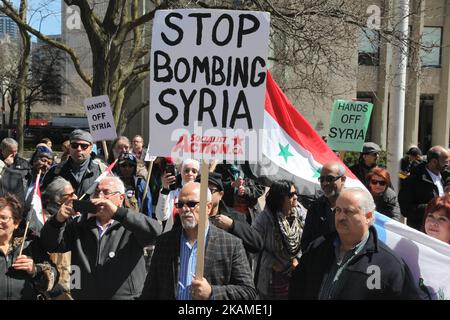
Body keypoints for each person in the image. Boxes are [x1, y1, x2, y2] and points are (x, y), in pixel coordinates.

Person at [289, 188, 424, 300]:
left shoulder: (389, 263)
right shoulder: (318, 247)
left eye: (349, 211)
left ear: (368, 216)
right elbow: (297, 288)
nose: (341, 217)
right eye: (338, 210)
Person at [40, 176, 161, 299]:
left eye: (106, 192)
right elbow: (51, 244)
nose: (100, 196)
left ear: (121, 198)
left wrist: (118, 213)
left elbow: (156, 234)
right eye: (97, 192)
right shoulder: (80, 224)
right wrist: (57, 220)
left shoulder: (131, 223)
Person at [141, 182, 256, 300]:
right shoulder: (164, 242)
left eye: (191, 204)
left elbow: (248, 292)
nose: (185, 209)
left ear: (208, 207)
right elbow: (150, 292)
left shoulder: (231, 244)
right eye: (180, 204)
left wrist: (212, 293)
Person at [252, 180, 307, 300]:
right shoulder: (264, 219)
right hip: (271, 278)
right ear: (280, 198)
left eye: (295, 193)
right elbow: (253, 246)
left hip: (296, 273)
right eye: (291, 195)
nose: (295, 197)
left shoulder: (301, 214)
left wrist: (297, 258)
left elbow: (307, 240)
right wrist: (273, 263)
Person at [0, 194, 58, 300]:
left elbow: (53, 276)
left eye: (3, 218)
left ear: (16, 223)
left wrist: (35, 270)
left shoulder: (29, 245)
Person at [202, 172, 263, 255]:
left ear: (220, 194)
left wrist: (232, 225)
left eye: (210, 191)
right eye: (201, 191)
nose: (206, 195)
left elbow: (257, 244)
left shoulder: (234, 218)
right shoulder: (190, 217)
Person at [41, 129, 107, 197]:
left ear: (91, 148)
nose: (79, 149)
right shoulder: (55, 171)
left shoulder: (102, 172)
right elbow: (43, 198)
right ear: (69, 147)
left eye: (84, 146)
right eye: (74, 145)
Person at [41, 177, 77, 299]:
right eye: (70, 194)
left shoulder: (73, 218)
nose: (75, 197)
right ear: (57, 199)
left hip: (73, 276)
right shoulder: (44, 218)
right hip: (54, 282)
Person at [399, 145, 449, 230]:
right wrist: (432, 207)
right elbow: (405, 209)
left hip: (443, 233)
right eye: (445, 162)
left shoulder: (445, 176)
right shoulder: (414, 180)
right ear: (434, 162)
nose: (447, 164)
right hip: (422, 232)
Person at [301, 161, 346, 251]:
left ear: (343, 180)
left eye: (330, 179)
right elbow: (306, 242)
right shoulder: (315, 207)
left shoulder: (354, 206)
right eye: (322, 179)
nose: (325, 183)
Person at [156, 159, 200, 232]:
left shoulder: (202, 193)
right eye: (186, 170)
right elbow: (161, 216)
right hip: (172, 238)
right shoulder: (173, 193)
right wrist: (165, 190)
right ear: (181, 173)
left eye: (194, 171)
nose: (190, 173)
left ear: (197, 174)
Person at [117, 152, 152, 217]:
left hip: (136, 221)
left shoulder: (140, 183)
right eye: (123, 165)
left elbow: (148, 205)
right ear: (118, 167)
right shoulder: (113, 183)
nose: (127, 168)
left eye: (130, 165)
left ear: (135, 167)